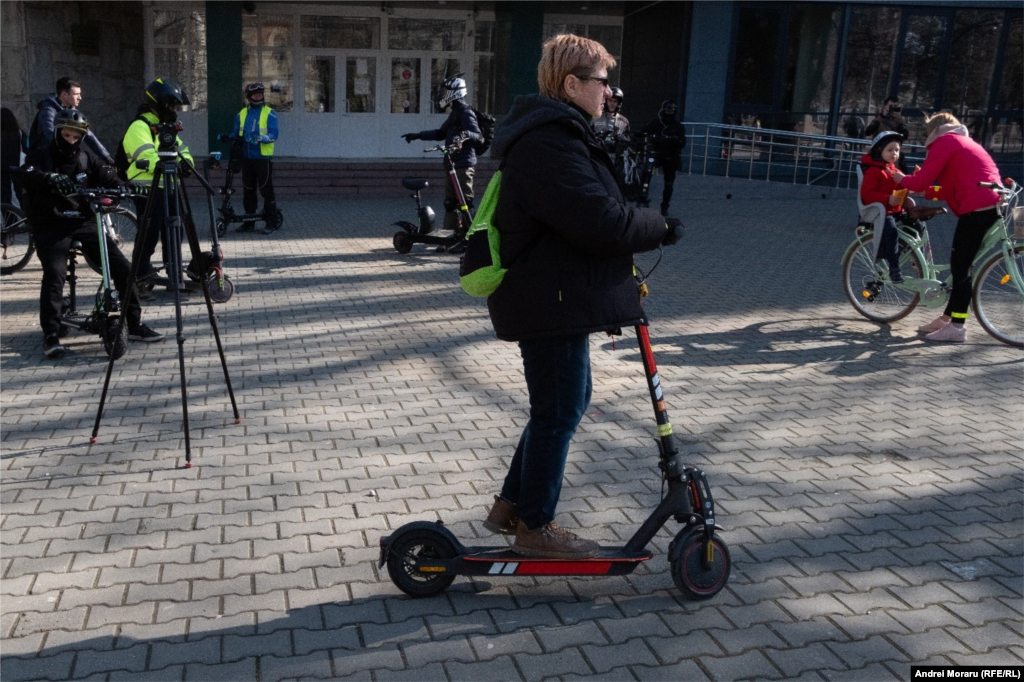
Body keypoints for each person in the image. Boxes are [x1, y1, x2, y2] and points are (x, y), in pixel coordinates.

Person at [481, 34, 679, 559]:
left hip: (553, 293)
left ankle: (511, 506)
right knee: (559, 409)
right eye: (601, 81)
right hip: (548, 297)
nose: (609, 92)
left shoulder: (558, 135)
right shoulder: (549, 142)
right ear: (572, 84)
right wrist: (659, 225)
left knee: (563, 404)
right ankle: (535, 527)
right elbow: (599, 221)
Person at [20, 110, 162, 359]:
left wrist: (128, 187)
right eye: (66, 134)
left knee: (124, 269)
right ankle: (51, 335)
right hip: (52, 224)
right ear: (57, 132)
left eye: (76, 136)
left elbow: (110, 178)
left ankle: (134, 324)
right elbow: (26, 174)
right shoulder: (42, 154)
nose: (71, 140)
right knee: (54, 275)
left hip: (84, 223)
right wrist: (49, 178)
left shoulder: (87, 157)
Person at [895, 112, 1002, 343]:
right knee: (961, 265)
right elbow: (949, 188)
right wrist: (924, 191)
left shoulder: (945, 142)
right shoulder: (965, 141)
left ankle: (957, 327)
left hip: (976, 207)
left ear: (933, 130)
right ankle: (946, 319)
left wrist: (901, 179)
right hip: (990, 203)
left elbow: (921, 180)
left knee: (961, 268)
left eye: (926, 133)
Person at [122, 78, 195, 296]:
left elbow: (182, 150)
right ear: (161, 103)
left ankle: (174, 273)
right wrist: (166, 165)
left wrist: (186, 164)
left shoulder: (165, 128)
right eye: (172, 106)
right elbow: (145, 155)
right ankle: (139, 277)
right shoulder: (140, 126)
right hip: (147, 188)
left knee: (174, 231)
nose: (174, 110)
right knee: (149, 234)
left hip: (169, 186)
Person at [401, 76, 482, 244]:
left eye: (446, 91)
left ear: (455, 92)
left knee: (465, 203)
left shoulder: (465, 111)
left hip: (463, 165)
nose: (443, 94)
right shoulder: (455, 112)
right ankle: (449, 238)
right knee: (450, 203)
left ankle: (467, 239)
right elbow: (440, 133)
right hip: (452, 165)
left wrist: (466, 134)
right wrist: (417, 136)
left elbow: (478, 136)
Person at [859, 131, 912, 283]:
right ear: (878, 151)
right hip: (880, 212)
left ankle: (914, 256)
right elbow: (867, 194)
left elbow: (905, 189)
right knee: (892, 231)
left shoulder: (896, 171)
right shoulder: (874, 171)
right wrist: (887, 199)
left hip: (896, 211)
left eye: (897, 150)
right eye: (890, 150)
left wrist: (910, 181)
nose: (894, 154)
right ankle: (894, 268)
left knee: (917, 223)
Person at [29, 77, 115, 165]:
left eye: (80, 94)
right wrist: (69, 149)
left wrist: (106, 157)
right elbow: (50, 135)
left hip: (64, 157)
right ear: (64, 94)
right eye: (76, 94)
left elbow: (89, 135)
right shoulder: (48, 110)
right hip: (44, 160)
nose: (80, 98)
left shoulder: (72, 111)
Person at [232, 82, 280, 234]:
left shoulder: (269, 113)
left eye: (260, 94)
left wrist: (262, 138)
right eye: (255, 94)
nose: (258, 96)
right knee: (248, 190)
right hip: (246, 157)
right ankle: (249, 222)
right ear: (249, 96)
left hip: (262, 158)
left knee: (266, 190)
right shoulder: (242, 114)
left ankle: (271, 223)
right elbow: (236, 132)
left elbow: (274, 134)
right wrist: (227, 137)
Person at [643, 100, 687, 216]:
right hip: (656, 154)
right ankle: (643, 199)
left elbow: (682, 142)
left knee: (668, 183)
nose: (669, 113)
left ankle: (665, 206)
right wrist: (639, 133)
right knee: (646, 174)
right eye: (667, 110)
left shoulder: (678, 127)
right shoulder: (657, 123)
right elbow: (645, 129)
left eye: (671, 111)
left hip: (671, 157)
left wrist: (674, 139)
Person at [593, 87, 630, 160]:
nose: (612, 104)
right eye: (610, 100)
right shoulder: (595, 118)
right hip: (597, 156)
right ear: (606, 101)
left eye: (615, 101)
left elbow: (627, 142)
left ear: (618, 103)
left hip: (615, 159)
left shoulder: (623, 121)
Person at [0, 107, 27, 205]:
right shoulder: (20, 134)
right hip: (18, 170)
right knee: (19, 198)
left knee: (5, 199)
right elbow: (28, 148)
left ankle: (10, 219)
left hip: (2, 172)